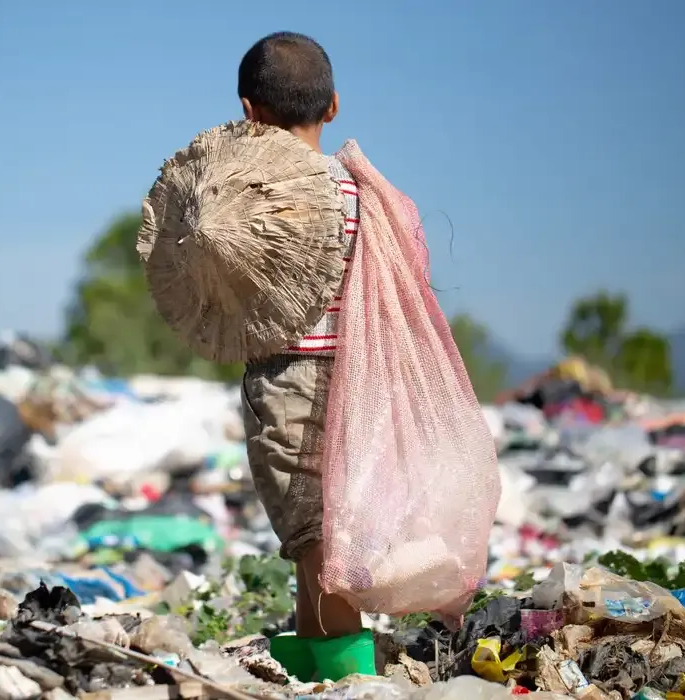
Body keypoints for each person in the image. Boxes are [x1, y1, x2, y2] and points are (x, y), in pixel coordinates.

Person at [236, 31, 376, 683]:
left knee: (318, 538)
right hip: (354, 375)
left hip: (289, 378)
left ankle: (352, 674)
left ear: (248, 112)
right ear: (334, 106)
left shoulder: (254, 194)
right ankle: (314, 655)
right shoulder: (357, 192)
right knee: (319, 531)